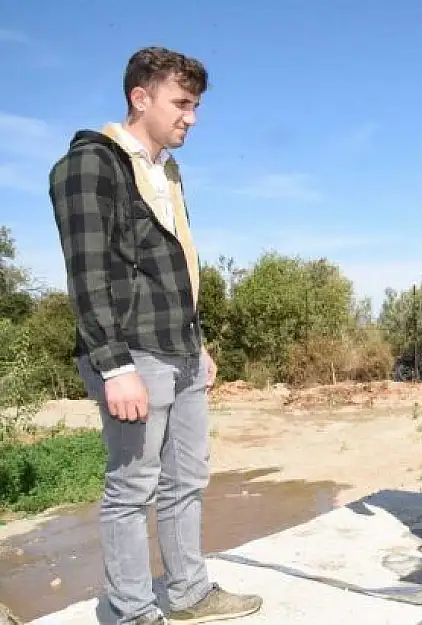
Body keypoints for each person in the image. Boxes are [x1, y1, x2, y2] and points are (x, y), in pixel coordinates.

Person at [48, 47, 262, 625]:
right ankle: (132, 609)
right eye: (182, 103)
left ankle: (188, 593)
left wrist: (200, 341)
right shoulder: (91, 164)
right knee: (132, 486)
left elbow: (176, 263)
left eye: (195, 105)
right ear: (139, 98)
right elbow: (87, 274)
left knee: (188, 477)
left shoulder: (165, 169)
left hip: (181, 347)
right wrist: (114, 366)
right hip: (133, 353)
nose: (192, 117)